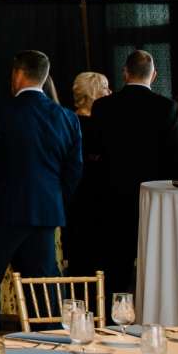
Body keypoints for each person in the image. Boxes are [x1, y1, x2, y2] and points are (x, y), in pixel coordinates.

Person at [0, 51, 83, 341]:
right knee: (42, 282)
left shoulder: (2, 111)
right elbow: (74, 170)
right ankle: (47, 342)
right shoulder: (66, 117)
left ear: (18, 74)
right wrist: (55, 199)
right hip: (45, 211)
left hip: (4, 209)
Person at [90, 50, 178, 294]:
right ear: (154, 75)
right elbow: (177, 161)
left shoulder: (103, 107)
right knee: (154, 263)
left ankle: (114, 312)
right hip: (153, 199)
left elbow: (93, 151)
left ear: (125, 73)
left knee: (115, 268)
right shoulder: (166, 108)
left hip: (112, 198)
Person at [65, 71, 113, 281]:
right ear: (95, 93)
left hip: (77, 198)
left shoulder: (67, 121)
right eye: (105, 88)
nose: (110, 92)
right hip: (88, 199)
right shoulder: (95, 126)